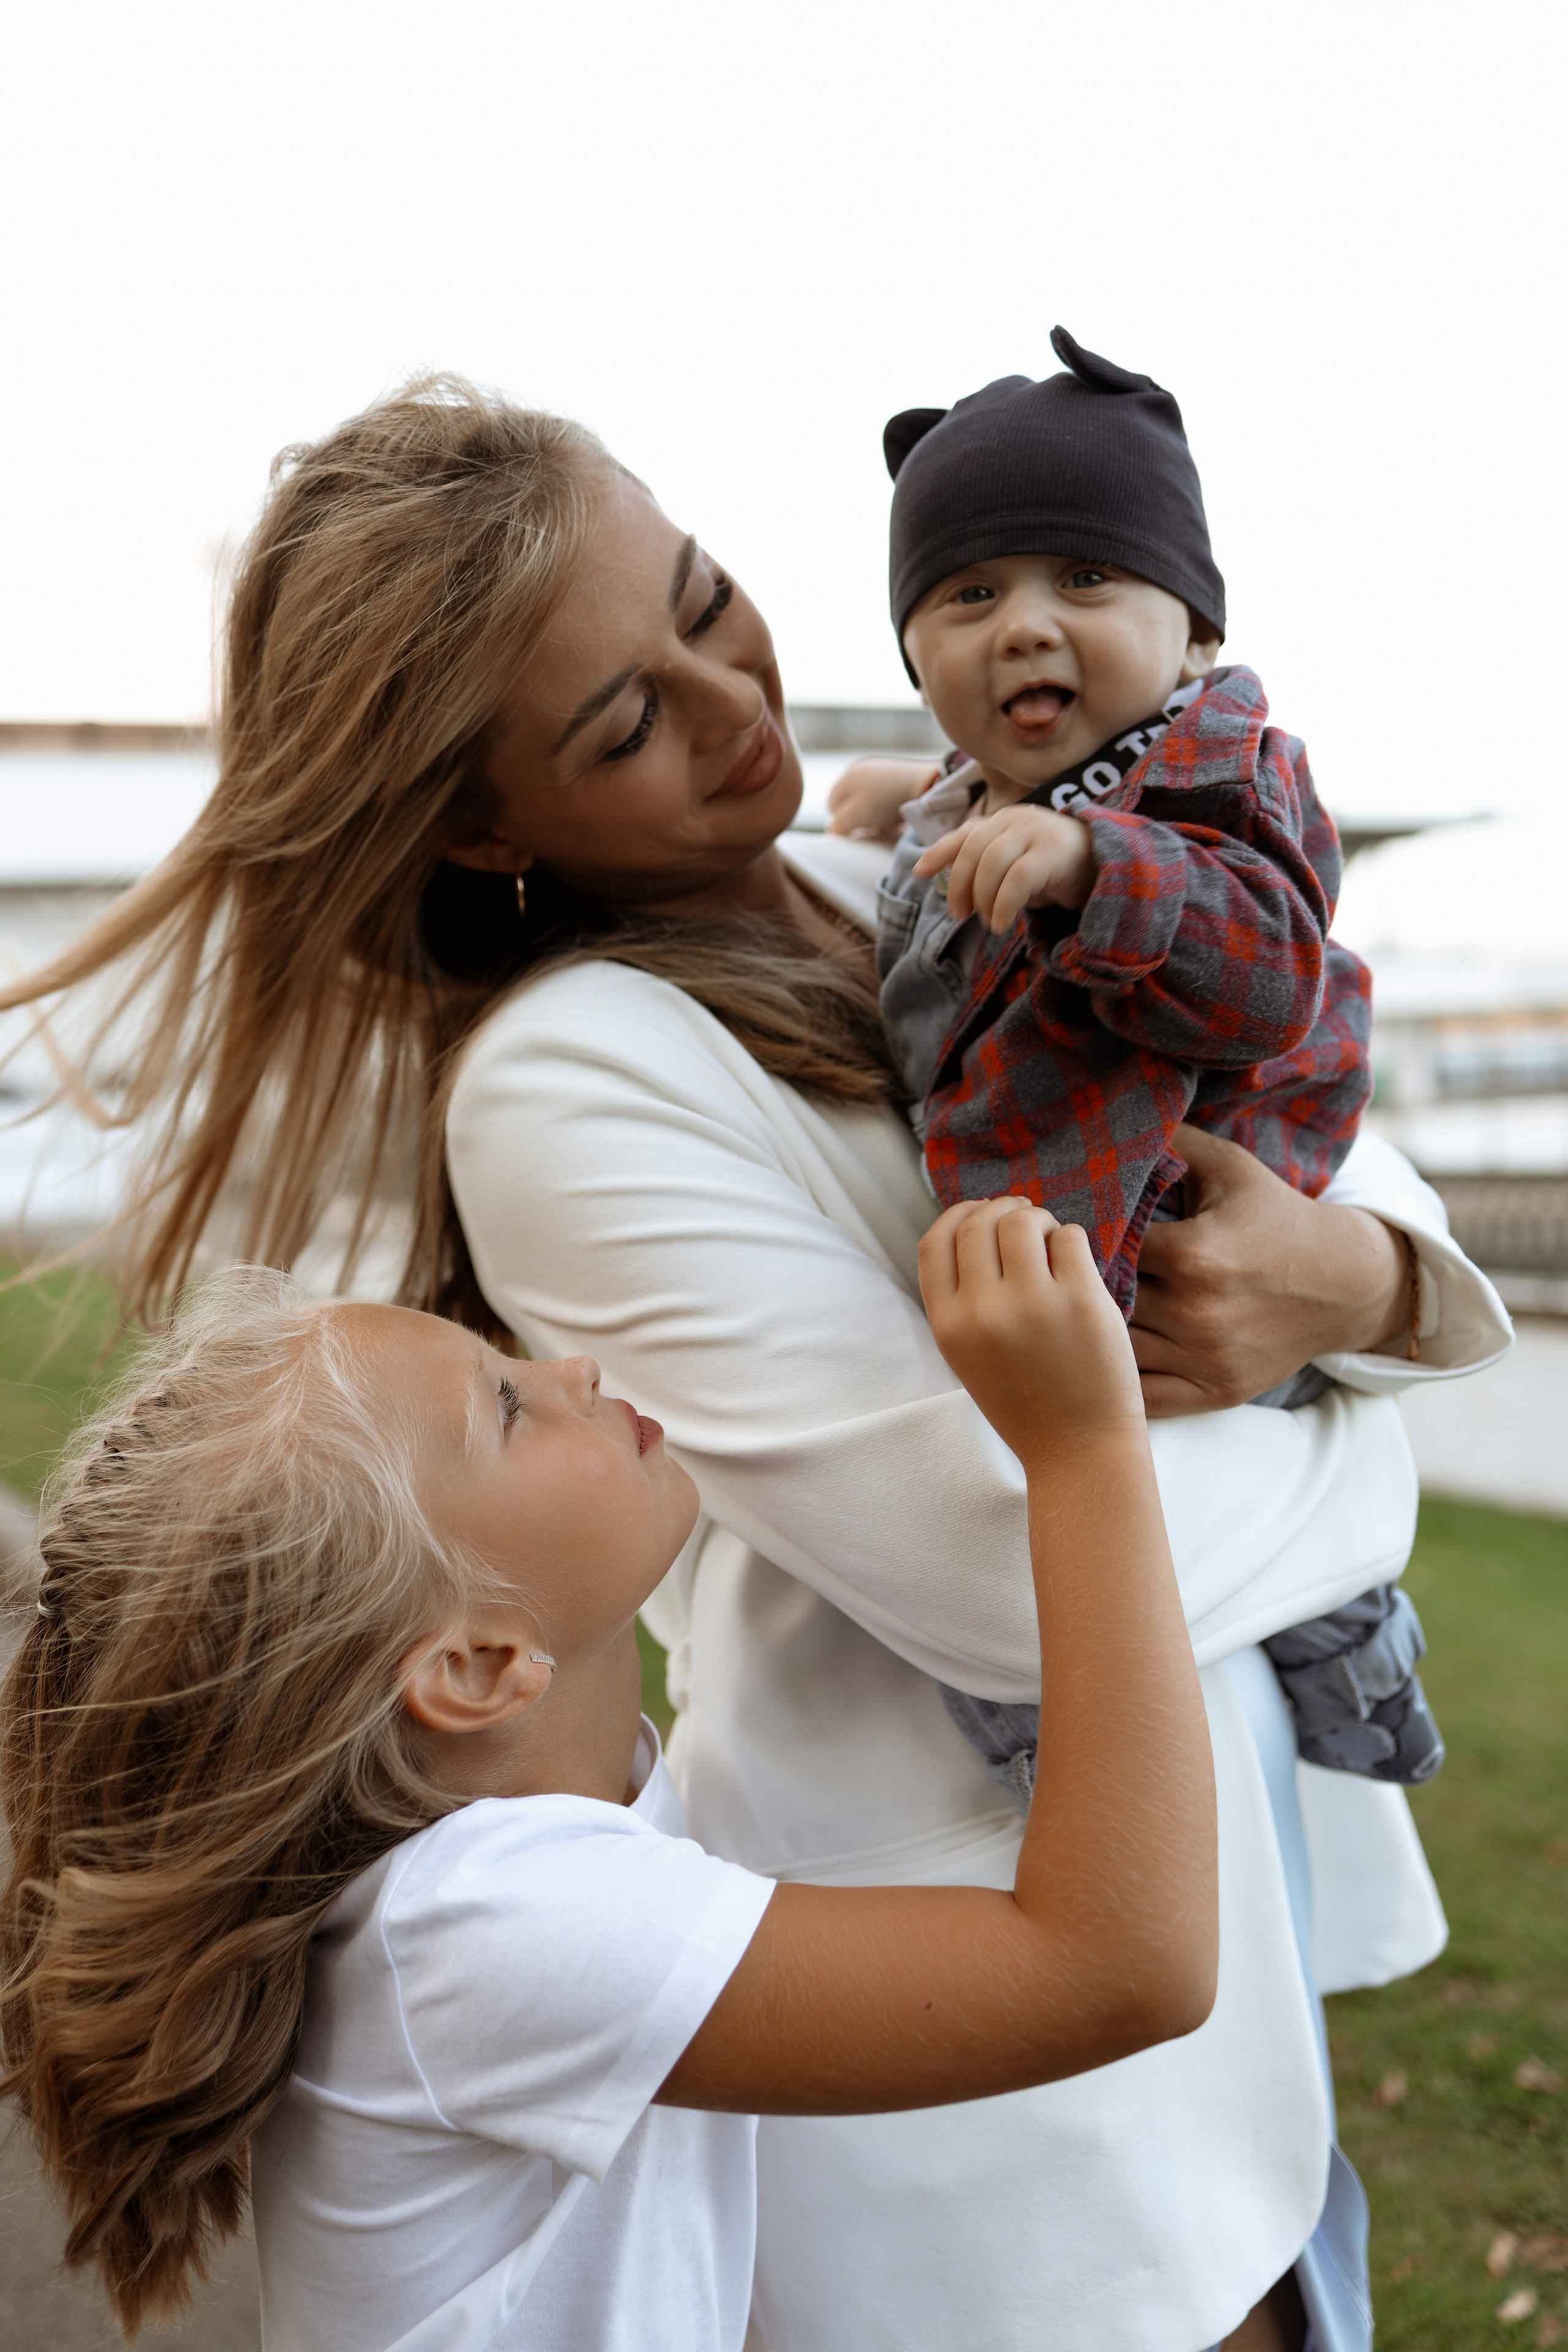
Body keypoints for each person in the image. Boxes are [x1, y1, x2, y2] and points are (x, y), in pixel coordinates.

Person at [0, 379, 1511, 2352]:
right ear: (477, 819)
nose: (736, 713)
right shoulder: (567, 1081)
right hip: (1006, 2128)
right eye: (623, 721)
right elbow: (1010, 1575)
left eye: (707, 604)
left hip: (1233, 1980)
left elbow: (1312, 1089)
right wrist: (1374, 1427)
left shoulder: (891, 865)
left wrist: (1351, 1282)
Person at [1, 1208, 1218, 2351]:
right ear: (476, 1668)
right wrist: (1081, 1448)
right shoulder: (494, 1927)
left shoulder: (471, 1879)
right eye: (507, 1407)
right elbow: (1120, 1966)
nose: (566, 1368)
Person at [831, 327, 1443, 1814]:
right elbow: (992, 805)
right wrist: (902, 801)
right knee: (1035, 1539)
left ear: (1195, 639)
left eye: (1083, 581)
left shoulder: (1222, 774)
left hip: (1183, 1209)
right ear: (915, 656)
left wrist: (1096, 867)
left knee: (1243, 1532)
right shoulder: (986, 792)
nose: (1026, 627)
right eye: (968, 596)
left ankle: (1358, 1680)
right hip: (1051, 1237)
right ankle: (1058, 1735)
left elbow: (1262, 969)